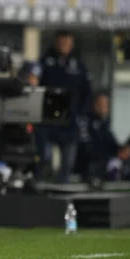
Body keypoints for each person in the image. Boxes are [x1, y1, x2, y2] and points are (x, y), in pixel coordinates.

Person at [35, 30, 91, 184]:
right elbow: (35, 82)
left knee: (67, 163)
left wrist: (81, 113)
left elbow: (87, 92)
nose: (64, 46)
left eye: (67, 43)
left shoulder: (78, 65)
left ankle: (62, 193)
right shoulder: (46, 61)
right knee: (44, 157)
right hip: (47, 116)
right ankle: (41, 185)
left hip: (70, 119)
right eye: (61, 42)